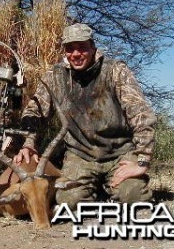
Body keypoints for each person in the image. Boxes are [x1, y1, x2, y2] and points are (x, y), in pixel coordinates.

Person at [14, 23, 157, 209]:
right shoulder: (55, 76)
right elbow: (35, 111)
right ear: (64, 51)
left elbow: (141, 114)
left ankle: (113, 186)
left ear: (93, 47)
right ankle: (97, 188)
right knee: (68, 201)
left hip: (119, 152)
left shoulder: (115, 70)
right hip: (80, 155)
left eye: (82, 47)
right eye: (70, 48)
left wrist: (142, 160)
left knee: (135, 197)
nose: (76, 54)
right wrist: (29, 143)